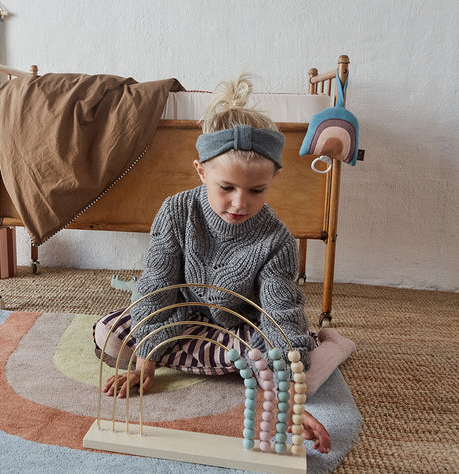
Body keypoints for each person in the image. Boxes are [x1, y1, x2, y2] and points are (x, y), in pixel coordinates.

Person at [94, 74, 356, 454]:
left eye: (256, 191)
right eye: (226, 188)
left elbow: (279, 316)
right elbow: (155, 286)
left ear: (273, 180)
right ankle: (218, 366)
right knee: (111, 333)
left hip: (240, 331)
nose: (239, 203)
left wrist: (287, 403)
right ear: (202, 173)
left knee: (299, 369)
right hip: (182, 321)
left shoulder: (277, 240)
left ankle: (332, 346)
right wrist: (146, 360)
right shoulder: (175, 212)